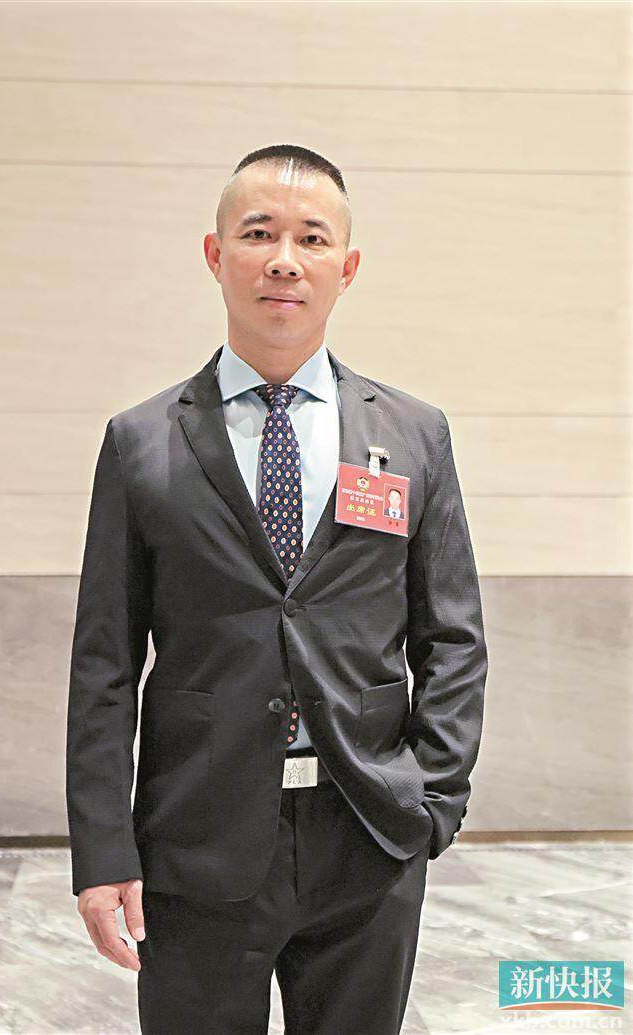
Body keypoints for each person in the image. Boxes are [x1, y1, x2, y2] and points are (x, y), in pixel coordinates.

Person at [66, 143, 488, 1034]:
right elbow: (104, 663)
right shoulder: (142, 442)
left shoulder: (413, 435)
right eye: (258, 234)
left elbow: (452, 637)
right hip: (197, 838)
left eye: (312, 238)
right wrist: (102, 850)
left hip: (367, 836)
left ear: (348, 266)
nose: (284, 260)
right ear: (216, 254)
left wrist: (432, 801)